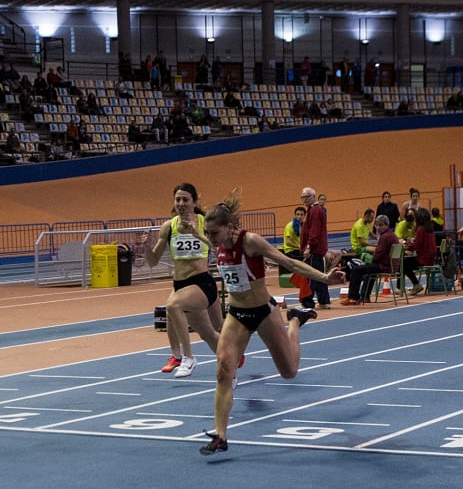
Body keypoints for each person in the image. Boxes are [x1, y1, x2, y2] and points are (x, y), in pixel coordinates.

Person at [198, 191, 346, 455]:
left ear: (230, 228)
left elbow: (287, 262)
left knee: (289, 372)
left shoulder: (251, 242)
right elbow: (204, 238)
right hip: (237, 315)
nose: (210, 240)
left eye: (214, 234)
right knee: (223, 369)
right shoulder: (217, 243)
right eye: (207, 234)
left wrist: (324, 278)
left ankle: (294, 322)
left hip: (264, 312)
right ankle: (220, 435)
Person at [143, 183, 222, 378]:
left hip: (202, 281)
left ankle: (187, 357)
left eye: (185, 199)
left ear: (194, 202)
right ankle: (231, 355)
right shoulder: (169, 227)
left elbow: (218, 247)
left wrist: (197, 234)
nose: (181, 203)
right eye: (177, 199)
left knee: (172, 305)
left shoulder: (205, 222)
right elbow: (153, 262)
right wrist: (146, 247)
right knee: (208, 334)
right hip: (180, 284)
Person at [298, 186, 333, 309]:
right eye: (302, 197)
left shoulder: (315, 211)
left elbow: (314, 231)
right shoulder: (313, 210)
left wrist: (308, 247)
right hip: (316, 250)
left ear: (313, 197)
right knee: (319, 276)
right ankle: (324, 301)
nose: (304, 200)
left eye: (306, 197)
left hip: (314, 250)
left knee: (311, 276)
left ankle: (308, 302)